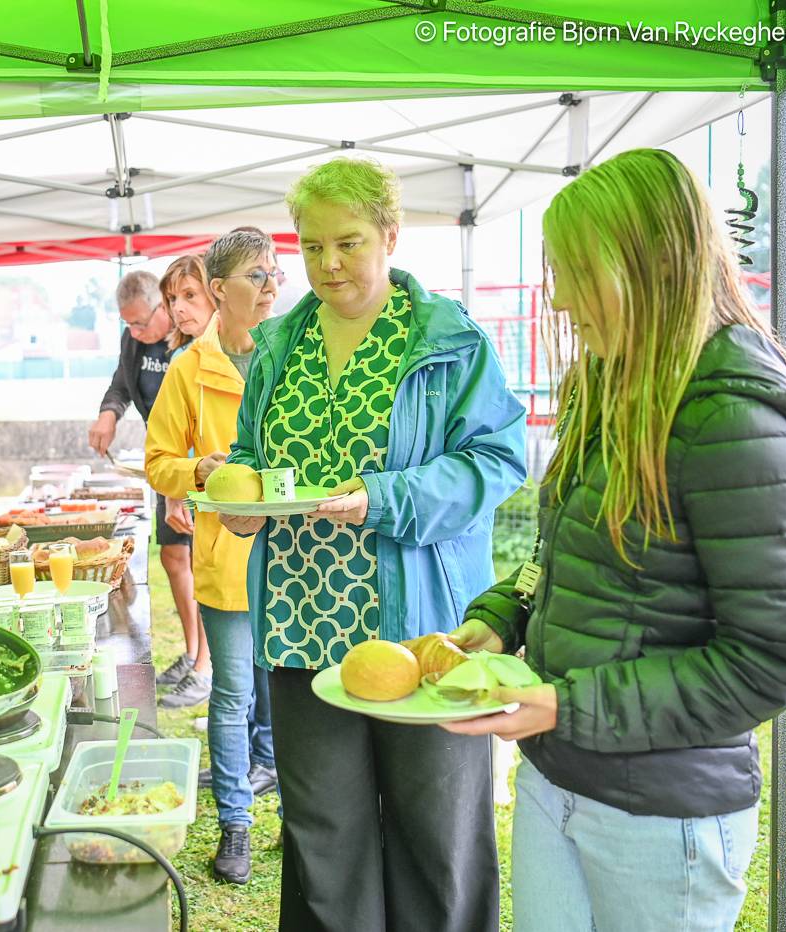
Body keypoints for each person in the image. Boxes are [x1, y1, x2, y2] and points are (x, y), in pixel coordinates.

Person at [443, 148, 786, 932]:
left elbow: (771, 660)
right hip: (558, 783)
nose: (559, 297)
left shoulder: (733, 419)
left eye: (578, 272)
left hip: (663, 817)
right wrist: (504, 615)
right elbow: (563, 553)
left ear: (654, 262)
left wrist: (565, 704)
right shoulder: (608, 381)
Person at [222, 157, 527, 931]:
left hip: (422, 632)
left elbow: (497, 459)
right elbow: (253, 454)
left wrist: (389, 496)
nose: (328, 264)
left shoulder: (447, 339)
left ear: (390, 235)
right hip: (301, 626)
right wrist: (242, 498)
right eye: (312, 245)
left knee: (437, 834)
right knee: (324, 834)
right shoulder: (279, 344)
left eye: (348, 243)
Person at [146, 231, 281, 884]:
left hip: (295, 556)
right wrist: (198, 469)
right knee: (231, 695)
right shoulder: (187, 369)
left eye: (275, 272)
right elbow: (157, 462)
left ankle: (301, 818)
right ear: (222, 289)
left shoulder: (295, 354)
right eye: (257, 275)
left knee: (285, 691)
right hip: (226, 557)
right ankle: (236, 824)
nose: (272, 285)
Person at [90, 270, 211, 707]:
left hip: (201, 466)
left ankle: (206, 668)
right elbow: (122, 382)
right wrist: (109, 412)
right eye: (129, 325)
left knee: (206, 561)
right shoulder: (134, 341)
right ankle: (194, 648)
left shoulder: (191, 340)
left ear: (164, 306)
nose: (137, 333)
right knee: (174, 555)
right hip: (167, 466)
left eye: (142, 323)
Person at [153, 254, 219, 699]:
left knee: (215, 580)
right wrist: (174, 493)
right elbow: (176, 440)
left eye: (189, 295)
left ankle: (205, 667)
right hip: (196, 487)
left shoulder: (245, 349)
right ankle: (199, 659)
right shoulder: (181, 357)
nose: (178, 307)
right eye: (173, 298)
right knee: (196, 570)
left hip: (231, 495)